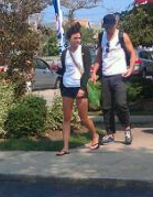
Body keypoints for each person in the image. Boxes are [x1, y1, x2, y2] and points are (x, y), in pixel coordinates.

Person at [54, 22, 99, 156]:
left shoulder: (84, 50)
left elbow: (86, 72)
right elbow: (65, 71)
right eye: (75, 38)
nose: (78, 40)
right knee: (66, 118)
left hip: (80, 87)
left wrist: (82, 87)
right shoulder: (64, 53)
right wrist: (57, 69)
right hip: (67, 87)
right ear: (69, 39)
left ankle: (95, 135)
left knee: (83, 117)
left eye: (79, 38)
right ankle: (65, 147)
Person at [91, 13, 136, 145]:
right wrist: (94, 72)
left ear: (115, 25)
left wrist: (130, 68)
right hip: (106, 76)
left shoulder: (122, 36)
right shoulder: (101, 36)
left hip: (119, 75)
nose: (108, 29)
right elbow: (99, 56)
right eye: (106, 27)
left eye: (110, 26)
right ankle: (110, 134)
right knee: (106, 107)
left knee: (121, 104)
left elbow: (132, 53)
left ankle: (127, 129)